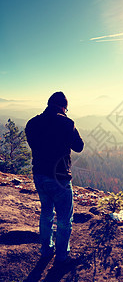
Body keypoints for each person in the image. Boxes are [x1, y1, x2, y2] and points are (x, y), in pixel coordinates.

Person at [25, 91, 84, 263]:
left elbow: (34, 145)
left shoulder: (32, 123)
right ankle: (61, 256)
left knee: (46, 213)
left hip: (39, 175)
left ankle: (46, 250)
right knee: (65, 218)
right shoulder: (67, 123)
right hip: (60, 177)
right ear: (64, 107)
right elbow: (79, 146)